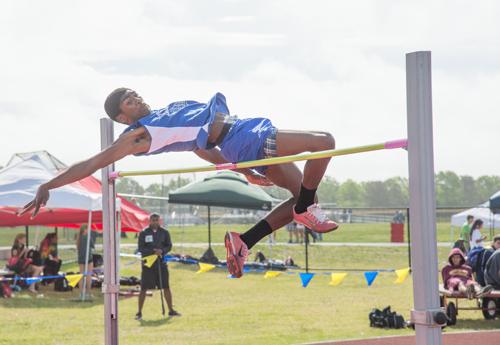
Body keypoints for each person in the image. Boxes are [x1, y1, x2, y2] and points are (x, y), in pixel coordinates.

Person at [19, 89, 339, 279]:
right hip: (243, 138)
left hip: (239, 137)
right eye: (128, 100)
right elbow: (92, 163)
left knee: (303, 192)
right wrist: (50, 184)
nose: (135, 96)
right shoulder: (138, 135)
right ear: (122, 117)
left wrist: (239, 169)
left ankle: (245, 241)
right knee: (323, 142)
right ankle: (305, 210)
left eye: (133, 92)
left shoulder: (165, 117)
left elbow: (199, 146)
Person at [136, 213, 180, 320]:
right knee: (144, 288)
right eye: (153, 220)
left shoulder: (164, 232)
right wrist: (152, 251)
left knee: (166, 287)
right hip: (148, 265)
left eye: (157, 220)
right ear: (149, 221)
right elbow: (140, 248)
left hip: (161, 263)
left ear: (159, 221)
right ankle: (139, 312)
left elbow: (169, 246)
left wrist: (162, 251)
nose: (155, 222)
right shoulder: (143, 233)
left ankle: (171, 310)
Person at [76, 224, 96, 298]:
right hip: (88, 259)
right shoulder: (87, 237)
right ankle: (88, 293)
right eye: (88, 229)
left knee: (81, 276)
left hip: (81, 259)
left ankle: (81, 293)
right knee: (88, 276)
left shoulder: (79, 238)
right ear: (85, 229)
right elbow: (92, 245)